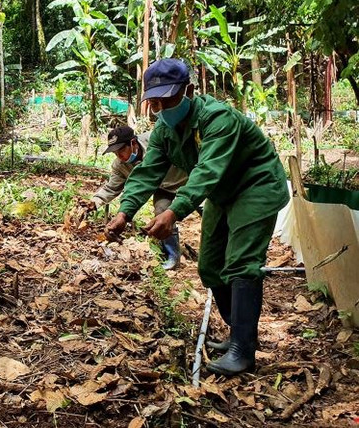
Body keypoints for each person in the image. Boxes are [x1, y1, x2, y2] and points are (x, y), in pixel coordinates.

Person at [105, 59, 288, 376]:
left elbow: (206, 173)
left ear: (188, 91)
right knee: (211, 266)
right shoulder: (165, 129)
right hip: (223, 193)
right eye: (155, 102)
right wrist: (124, 212)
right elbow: (147, 173)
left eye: (168, 100)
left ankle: (243, 351)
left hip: (255, 185)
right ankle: (239, 335)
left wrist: (173, 213)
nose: (161, 108)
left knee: (241, 261)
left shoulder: (217, 119)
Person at [92, 125, 188, 270]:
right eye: (115, 153)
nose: (120, 156)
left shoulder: (157, 141)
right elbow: (112, 187)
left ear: (133, 143)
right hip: (163, 187)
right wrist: (94, 202)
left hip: (188, 179)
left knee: (208, 212)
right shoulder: (120, 165)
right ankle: (173, 256)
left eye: (121, 150)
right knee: (162, 212)